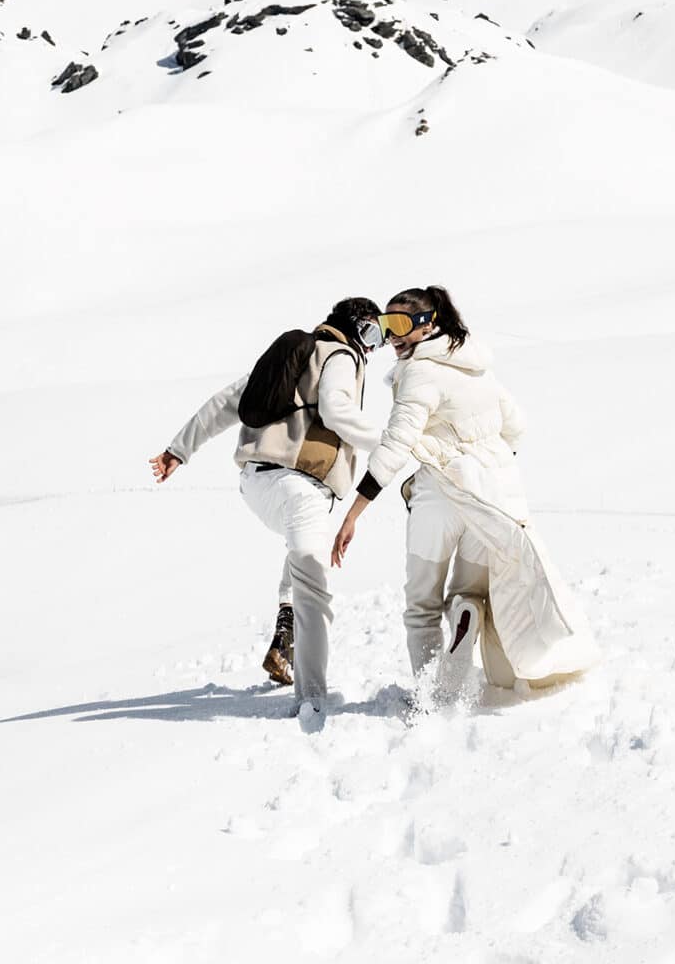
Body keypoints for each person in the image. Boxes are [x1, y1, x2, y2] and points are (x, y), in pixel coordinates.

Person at [331, 286, 598, 693]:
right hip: (488, 498)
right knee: (468, 593)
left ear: (428, 324)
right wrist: (489, 461)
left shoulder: (419, 371)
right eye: (386, 326)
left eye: (402, 324)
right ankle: (461, 639)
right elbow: (517, 426)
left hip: (440, 495)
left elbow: (396, 443)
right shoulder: (477, 367)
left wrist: (354, 512)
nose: (393, 337)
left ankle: (433, 697)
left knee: (422, 605)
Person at [150, 297, 384, 718]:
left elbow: (227, 402)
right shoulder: (342, 356)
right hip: (300, 483)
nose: (373, 346)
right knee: (315, 581)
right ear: (358, 327)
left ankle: (287, 620)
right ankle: (312, 698)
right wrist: (390, 442)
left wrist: (178, 450)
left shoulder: (292, 355)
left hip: (256, 484)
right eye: (373, 333)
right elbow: (336, 408)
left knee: (300, 549)